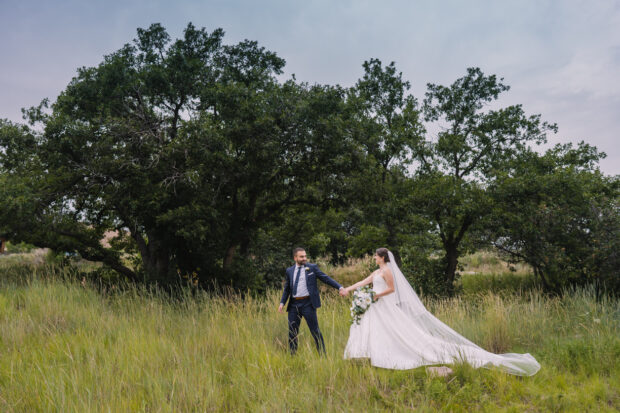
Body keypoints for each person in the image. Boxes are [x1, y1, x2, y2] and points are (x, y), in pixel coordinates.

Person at [342, 248, 540, 376]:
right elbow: (363, 282)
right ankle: (376, 356)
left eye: (375, 256)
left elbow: (392, 289)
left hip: (383, 304)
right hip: (376, 306)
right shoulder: (376, 272)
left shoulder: (387, 271)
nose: (374, 258)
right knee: (379, 330)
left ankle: (391, 356)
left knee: (399, 332)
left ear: (382, 257)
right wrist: (348, 289)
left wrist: (376, 295)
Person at [278, 247, 348, 355]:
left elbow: (326, 278)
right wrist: (282, 303)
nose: (304, 258)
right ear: (295, 258)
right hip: (293, 305)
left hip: (308, 304)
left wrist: (340, 287)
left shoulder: (312, 268)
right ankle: (292, 355)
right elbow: (287, 288)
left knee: (315, 331)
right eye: (301, 257)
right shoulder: (289, 271)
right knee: (292, 332)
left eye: (305, 256)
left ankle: (322, 355)